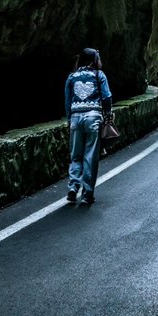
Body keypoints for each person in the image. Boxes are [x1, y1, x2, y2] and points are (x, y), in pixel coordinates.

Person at [64, 46, 112, 205]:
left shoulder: (72, 77)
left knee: (75, 155)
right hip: (93, 118)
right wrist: (108, 113)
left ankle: (73, 186)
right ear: (94, 60)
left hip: (76, 118)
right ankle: (87, 194)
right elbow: (106, 97)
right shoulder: (99, 75)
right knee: (90, 157)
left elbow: (67, 100)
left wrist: (69, 120)